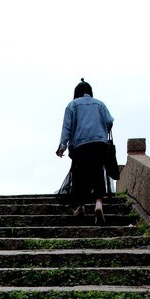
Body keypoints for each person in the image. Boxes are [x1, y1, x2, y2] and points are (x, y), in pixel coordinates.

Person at [56, 79, 114, 224]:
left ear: (76, 93)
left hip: (80, 146)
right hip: (99, 144)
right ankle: (99, 204)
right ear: (90, 92)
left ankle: (81, 206)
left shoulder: (72, 105)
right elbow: (109, 121)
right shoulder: (100, 104)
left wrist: (62, 146)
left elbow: (67, 128)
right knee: (98, 173)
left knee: (80, 175)